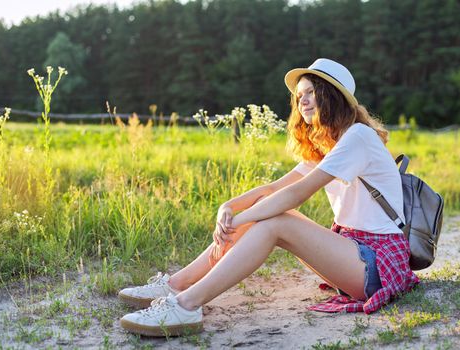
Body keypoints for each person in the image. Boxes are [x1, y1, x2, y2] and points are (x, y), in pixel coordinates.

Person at [118, 58, 419, 337]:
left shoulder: (358, 137)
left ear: (333, 97)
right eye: (299, 95)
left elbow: (297, 193)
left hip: (378, 262)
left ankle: (186, 305)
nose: (302, 100)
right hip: (354, 253)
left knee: (275, 222)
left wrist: (240, 219)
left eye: (311, 92)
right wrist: (228, 208)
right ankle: (175, 286)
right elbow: (272, 190)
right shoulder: (331, 145)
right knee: (268, 215)